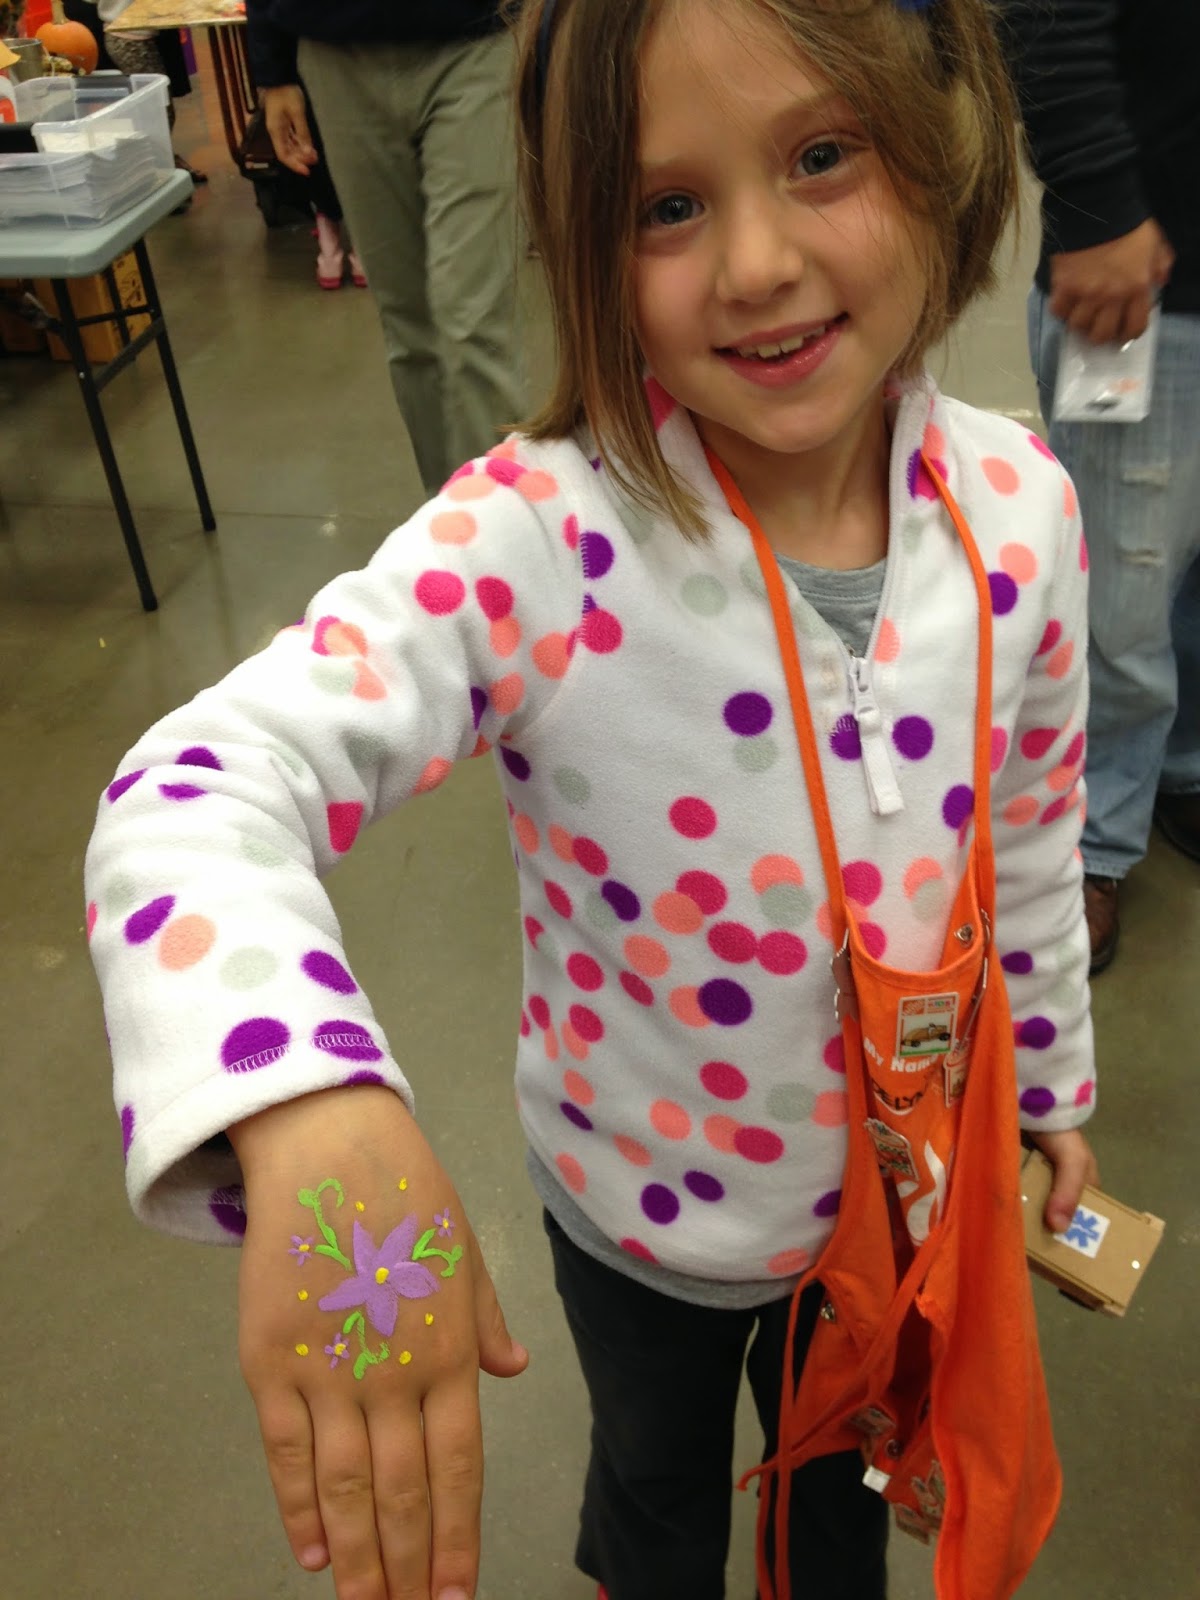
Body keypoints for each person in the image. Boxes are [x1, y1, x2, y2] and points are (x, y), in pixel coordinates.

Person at [85, 4, 1100, 1599]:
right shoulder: (535, 542)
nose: (755, 262)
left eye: (823, 156)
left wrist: (1043, 1083)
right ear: (578, 242)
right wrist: (301, 1091)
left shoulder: (1022, 510)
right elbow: (192, 787)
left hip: (899, 1196)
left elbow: (1028, 833)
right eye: (666, 205)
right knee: (656, 1487)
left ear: (944, 147)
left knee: (835, 1503)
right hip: (643, 1217)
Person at [1004, 0, 1200, 973]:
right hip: (1150, 277)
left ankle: (1182, 769)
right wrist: (1097, 201)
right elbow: (1048, 12)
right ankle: (1092, 839)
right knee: (1118, 604)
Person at [244, 0, 524, 495]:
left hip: (476, 41)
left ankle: (501, 523)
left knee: (474, 324)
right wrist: (273, 69)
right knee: (409, 331)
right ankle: (449, 516)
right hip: (336, 52)